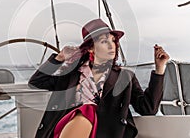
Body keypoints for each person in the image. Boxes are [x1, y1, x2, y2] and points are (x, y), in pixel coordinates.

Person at [29, 18, 170, 138]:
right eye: (104, 41)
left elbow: (148, 108)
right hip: (66, 127)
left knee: (89, 109)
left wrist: (159, 69)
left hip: (105, 132)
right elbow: (36, 82)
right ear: (91, 48)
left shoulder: (124, 76)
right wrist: (59, 58)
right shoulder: (71, 73)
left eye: (113, 40)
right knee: (86, 110)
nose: (111, 45)